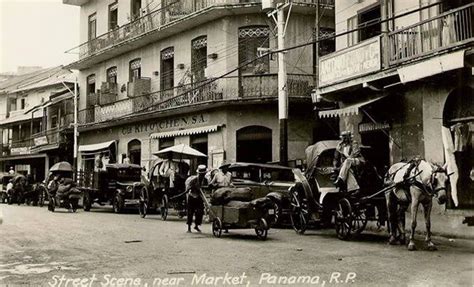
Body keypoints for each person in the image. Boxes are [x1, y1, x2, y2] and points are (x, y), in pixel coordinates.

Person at [185, 165, 207, 233]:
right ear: (198, 174)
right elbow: (189, 187)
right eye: (201, 174)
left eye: (203, 174)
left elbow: (207, 187)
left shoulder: (205, 180)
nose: (202, 175)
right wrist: (193, 188)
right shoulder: (194, 180)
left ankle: (196, 225)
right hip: (192, 196)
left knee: (200, 211)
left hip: (199, 196)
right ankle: (189, 227)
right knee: (190, 212)